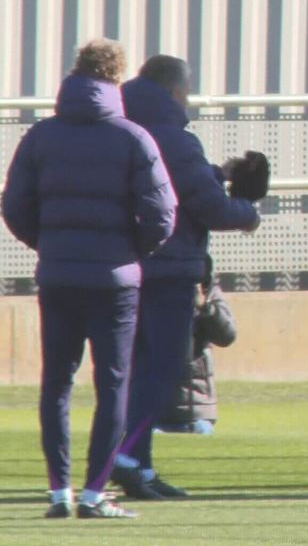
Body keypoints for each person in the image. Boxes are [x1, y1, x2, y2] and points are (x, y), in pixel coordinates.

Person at [2, 39, 177, 518]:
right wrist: (131, 252)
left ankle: (59, 491)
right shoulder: (133, 137)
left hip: (58, 276)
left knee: (56, 384)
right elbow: (163, 214)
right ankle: (96, 494)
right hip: (115, 282)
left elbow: (14, 206)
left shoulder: (40, 136)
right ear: (117, 79)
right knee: (113, 384)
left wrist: (50, 245)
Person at [111, 55, 261, 499]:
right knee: (164, 368)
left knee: (134, 371)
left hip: (123, 269)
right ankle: (129, 459)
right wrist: (248, 213)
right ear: (175, 91)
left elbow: (180, 185)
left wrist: (219, 174)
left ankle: (138, 464)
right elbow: (208, 207)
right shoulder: (174, 138)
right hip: (170, 270)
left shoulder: (120, 129)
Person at [154, 255, 234, 435]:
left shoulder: (208, 289)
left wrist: (205, 308)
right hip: (155, 409)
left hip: (197, 408)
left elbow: (227, 336)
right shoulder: (152, 288)